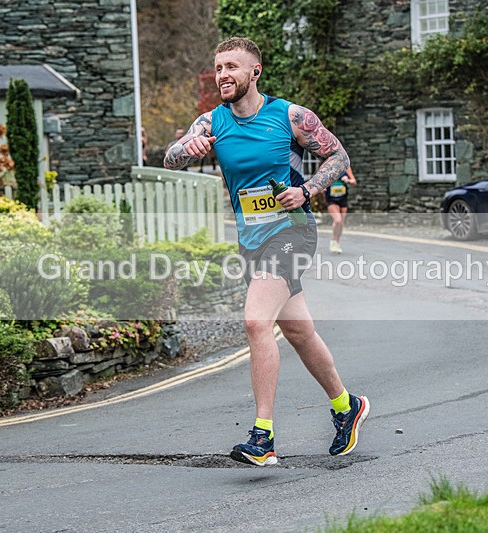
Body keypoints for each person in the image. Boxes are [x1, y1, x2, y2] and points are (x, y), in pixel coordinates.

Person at [164, 37, 369, 466]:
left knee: (257, 321)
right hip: (251, 240)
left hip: (293, 230)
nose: (223, 75)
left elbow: (338, 155)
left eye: (232, 67)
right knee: (298, 331)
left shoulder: (289, 115)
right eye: (218, 67)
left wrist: (307, 189)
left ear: (254, 72)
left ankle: (264, 437)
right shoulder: (211, 122)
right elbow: (170, 158)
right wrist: (190, 148)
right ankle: (346, 406)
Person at [325, 166, 357, 254]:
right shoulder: (326, 168)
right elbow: (320, 184)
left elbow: (354, 182)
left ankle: (337, 242)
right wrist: (324, 186)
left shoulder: (346, 168)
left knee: (341, 223)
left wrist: (348, 180)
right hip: (331, 199)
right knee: (337, 220)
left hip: (343, 199)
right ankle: (333, 240)